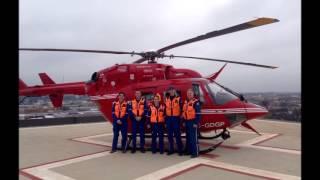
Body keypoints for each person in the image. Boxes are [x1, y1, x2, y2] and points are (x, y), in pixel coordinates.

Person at [182, 88, 201, 158]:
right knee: (188, 138)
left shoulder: (196, 102)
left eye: (190, 93)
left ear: (193, 94)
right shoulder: (186, 102)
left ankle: (195, 153)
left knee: (194, 138)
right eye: (188, 94)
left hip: (193, 122)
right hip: (187, 122)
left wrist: (196, 123)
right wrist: (183, 121)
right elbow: (184, 112)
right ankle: (189, 151)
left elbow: (198, 114)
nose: (189, 95)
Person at [165, 86, 183, 155]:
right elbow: (165, 110)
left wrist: (181, 119)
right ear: (169, 92)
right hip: (169, 119)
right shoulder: (166, 99)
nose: (171, 92)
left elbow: (182, 109)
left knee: (177, 134)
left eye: (172, 90)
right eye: (170, 90)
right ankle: (171, 149)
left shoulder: (179, 99)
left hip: (176, 118)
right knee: (169, 135)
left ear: (174, 91)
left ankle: (180, 150)